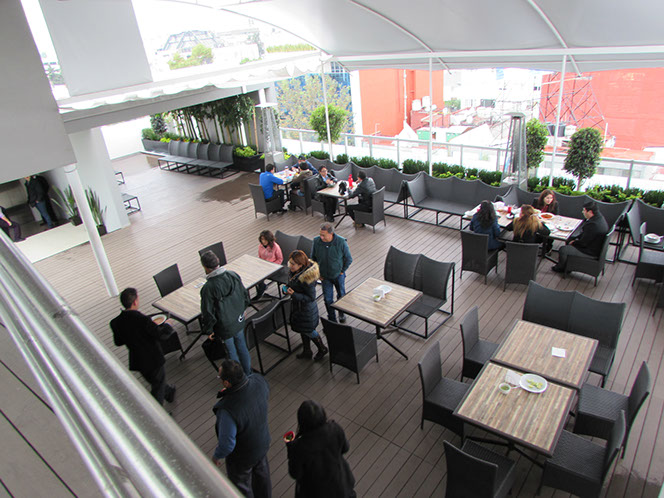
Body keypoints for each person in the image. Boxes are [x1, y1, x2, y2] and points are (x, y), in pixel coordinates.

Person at [213, 359, 271, 498]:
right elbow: (266, 392)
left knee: (242, 487)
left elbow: (227, 444)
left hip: (242, 457)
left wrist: (217, 456)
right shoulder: (258, 381)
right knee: (262, 478)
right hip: (262, 443)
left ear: (226, 383)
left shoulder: (227, 410)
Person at [110, 287, 176, 405]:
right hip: (153, 359)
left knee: (156, 381)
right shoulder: (143, 320)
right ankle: (157, 413)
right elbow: (160, 335)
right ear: (135, 302)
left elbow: (118, 342)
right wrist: (168, 325)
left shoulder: (116, 323)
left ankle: (169, 392)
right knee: (157, 386)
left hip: (138, 360)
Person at [286, 400, 356, 498]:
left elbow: (295, 473)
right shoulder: (335, 429)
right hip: (342, 487)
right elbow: (345, 448)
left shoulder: (299, 446)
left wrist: (290, 447)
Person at [200, 250, 252, 375]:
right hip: (239, 320)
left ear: (205, 267)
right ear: (218, 262)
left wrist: (209, 330)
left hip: (224, 327)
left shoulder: (208, 288)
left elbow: (208, 312)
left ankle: (238, 377)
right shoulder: (233, 275)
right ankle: (248, 373)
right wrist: (242, 310)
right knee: (242, 347)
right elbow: (245, 295)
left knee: (231, 353)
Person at [285, 250, 328, 361]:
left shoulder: (306, 279)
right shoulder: (295, 272)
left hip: (306, 310)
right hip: (299, 308)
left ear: (300, 265)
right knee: (303, 329)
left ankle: (322, 348)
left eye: (293, 264)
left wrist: (294, 294)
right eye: (290, 263)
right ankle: (307, 351)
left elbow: (311, 297)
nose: (290, 266)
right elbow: (293, 283)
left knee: (308, 330)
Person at [552, 200, 609, 273]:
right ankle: (568, 265)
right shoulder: (599, 218)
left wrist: (574, 242)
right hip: (595, 247)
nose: (582, 212)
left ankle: (562, 268)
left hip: (590, 252)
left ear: (590, 212)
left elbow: (583, 243)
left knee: (563, 250)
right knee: (570, 239)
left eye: (584, 210)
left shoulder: (593, 225)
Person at [312, 223, 352, 323]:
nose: (321, 237)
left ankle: (341, 313)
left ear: (331, 234)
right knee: (327, 299)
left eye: (323, 235)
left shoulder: (341, 242)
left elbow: (348, 259)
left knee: (341, 295)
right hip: (324, 277)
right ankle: (332, 318)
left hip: (338, 276)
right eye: (320, 234)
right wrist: (318, 274)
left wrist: (342, 271)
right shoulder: (316, 241)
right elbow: (313, 259)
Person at [255, 230, 283, 300]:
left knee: (259, 275)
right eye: (262, 239)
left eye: (265, 239)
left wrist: (272, 265)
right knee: (254, 272)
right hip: (263, 265)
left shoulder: (275, 247)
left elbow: (280, 259)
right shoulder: (260, 246)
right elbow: (260, 257)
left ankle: (261, 290)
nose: (263, 241)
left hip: (273, 267)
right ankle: (261, 287)